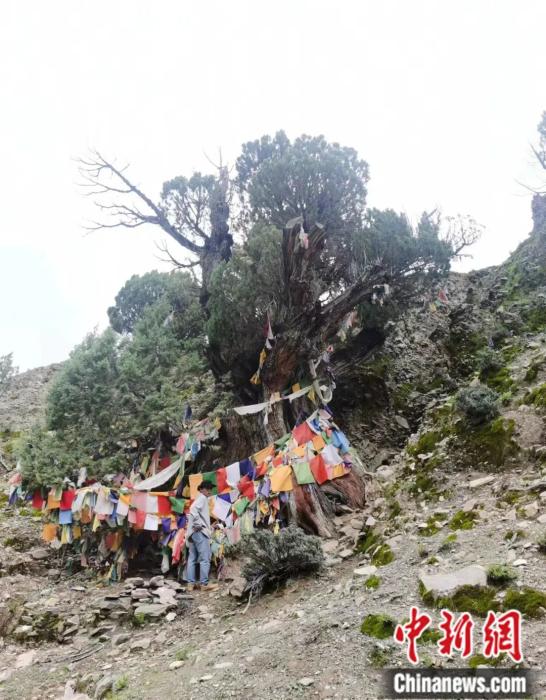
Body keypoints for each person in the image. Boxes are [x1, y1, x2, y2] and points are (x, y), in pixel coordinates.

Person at [186, 480, 218, 591]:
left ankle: (190, 584)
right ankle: (204, 584)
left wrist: (196, 524)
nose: (210, 491)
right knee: (205, 558)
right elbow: (193, 509)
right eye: (208, 488)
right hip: (200, 532)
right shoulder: (202, 498)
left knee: (192, 558)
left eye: (210, 489)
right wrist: (198, 524)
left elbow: (192, 511)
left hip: (192, 533)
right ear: (202, 489)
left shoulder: (199, 498)